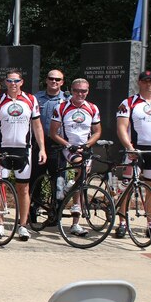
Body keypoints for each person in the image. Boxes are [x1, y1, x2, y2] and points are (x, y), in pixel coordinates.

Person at [0, 69, 45, 241]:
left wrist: (42, 148)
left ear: (21, 82)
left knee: (23, 188)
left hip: (23, 149)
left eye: (16, 81)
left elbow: (37, 126)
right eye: (10, 81)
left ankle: (23, 225)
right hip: (3, 148)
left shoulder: (31, 100)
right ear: (5, 83)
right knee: (0, 187)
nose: (13, 84)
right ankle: (1, 223)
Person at [114, 69, 151, 240]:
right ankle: (122, 223)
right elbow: (121, 127)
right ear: (139, 83)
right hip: (135, 151)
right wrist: (129, 147)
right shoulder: (128, 103)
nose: (148, 84)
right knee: (127, 187)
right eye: (145, 81)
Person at [49, 78, 102, 237]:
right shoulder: (61, 107)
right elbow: (53, 132)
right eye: (77, 90)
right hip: (68, 147)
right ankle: (71, 191)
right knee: (81, 169)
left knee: (82, 180)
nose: (80, 94)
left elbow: (98, 131)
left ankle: (75, 223)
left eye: (84, 91)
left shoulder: (92, 108)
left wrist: (87, 145)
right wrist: (67, 145)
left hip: (85, 148)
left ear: (88, 91)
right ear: (71, 90)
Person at [30, 68, 67, 222]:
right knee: (36, 178)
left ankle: (55, 214)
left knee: (58, 181)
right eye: (51, 78)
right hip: (39, 143)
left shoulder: (67, 99)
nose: (54, 81)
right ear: (46, 80)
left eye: (57, 79)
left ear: (62, 82)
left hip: (57, 145)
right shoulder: (36, 98)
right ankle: (33, 211)